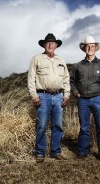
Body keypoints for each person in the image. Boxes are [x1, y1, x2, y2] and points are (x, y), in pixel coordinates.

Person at [70, 36, 100, 161]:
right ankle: (82, 152)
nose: (89, 48)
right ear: (84, 48)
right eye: (87, 46)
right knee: (84, 128)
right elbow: (71, 81)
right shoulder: (78, 66)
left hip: (98, 99)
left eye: (92, 46)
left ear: (95, 48)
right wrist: (76, 93)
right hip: (83, 100)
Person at [28, 33, 70, 163]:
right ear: (44, 45)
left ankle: (56, 151)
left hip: (58, 96)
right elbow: (31, 78)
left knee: (57, 125)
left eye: (53, 43)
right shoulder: (37, 59)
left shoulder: (61, 61)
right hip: (43, 96)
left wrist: (66, 94)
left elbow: (66, 78)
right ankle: (40, 152)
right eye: (48, 43)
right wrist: (34, 95)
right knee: (42, 125)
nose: (51, 45)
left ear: (56, 45)